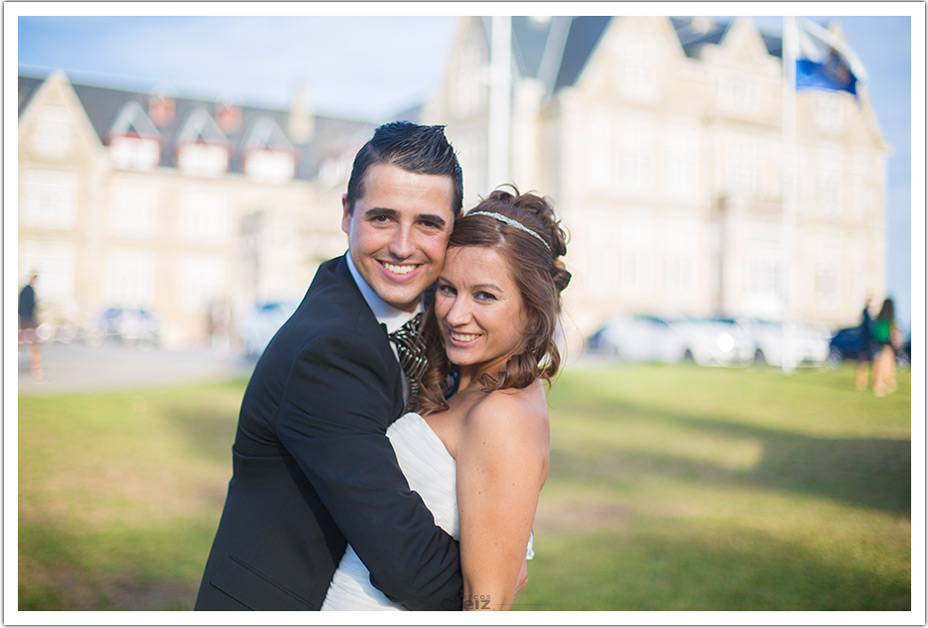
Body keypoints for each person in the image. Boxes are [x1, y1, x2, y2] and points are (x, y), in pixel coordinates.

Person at [195, 122, 466, 610]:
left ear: (455, 226)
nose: (403, 246)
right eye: (383, 218)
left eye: (428, 223)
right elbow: (410, 568)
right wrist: (496, 575)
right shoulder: (328, 352)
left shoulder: (447, 321)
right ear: (347, 214)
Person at [321, 187, 570, 611]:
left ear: (532, 308)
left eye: (485, 296)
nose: (455, 315)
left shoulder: (502, 414)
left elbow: (487, 603)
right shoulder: (475, 384)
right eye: (448, 288)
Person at [871, 297, 899, 397]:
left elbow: (874, 330)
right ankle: (884, 384)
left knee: (878, 364)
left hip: (877, 342)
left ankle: (879, 384)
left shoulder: (879, 317)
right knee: (886, 364)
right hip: (886, 342)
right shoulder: (891, 317)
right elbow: (894, 331)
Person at [18, 273, 43, 378]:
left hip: (23, 320)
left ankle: (36, 368)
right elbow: (32, 306)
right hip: (29, 321)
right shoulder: (30, 291)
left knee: (20, 344)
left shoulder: (24, 291)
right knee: (34, 346)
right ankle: (36, 368)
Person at [855, 297, 873, 391]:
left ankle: (862, 382)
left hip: (863, 342)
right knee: (862, 363)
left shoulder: (865, 314)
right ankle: (861, 382)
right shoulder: (867, 315)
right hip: (865, 342)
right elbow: (868, 330)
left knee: (863, 363)